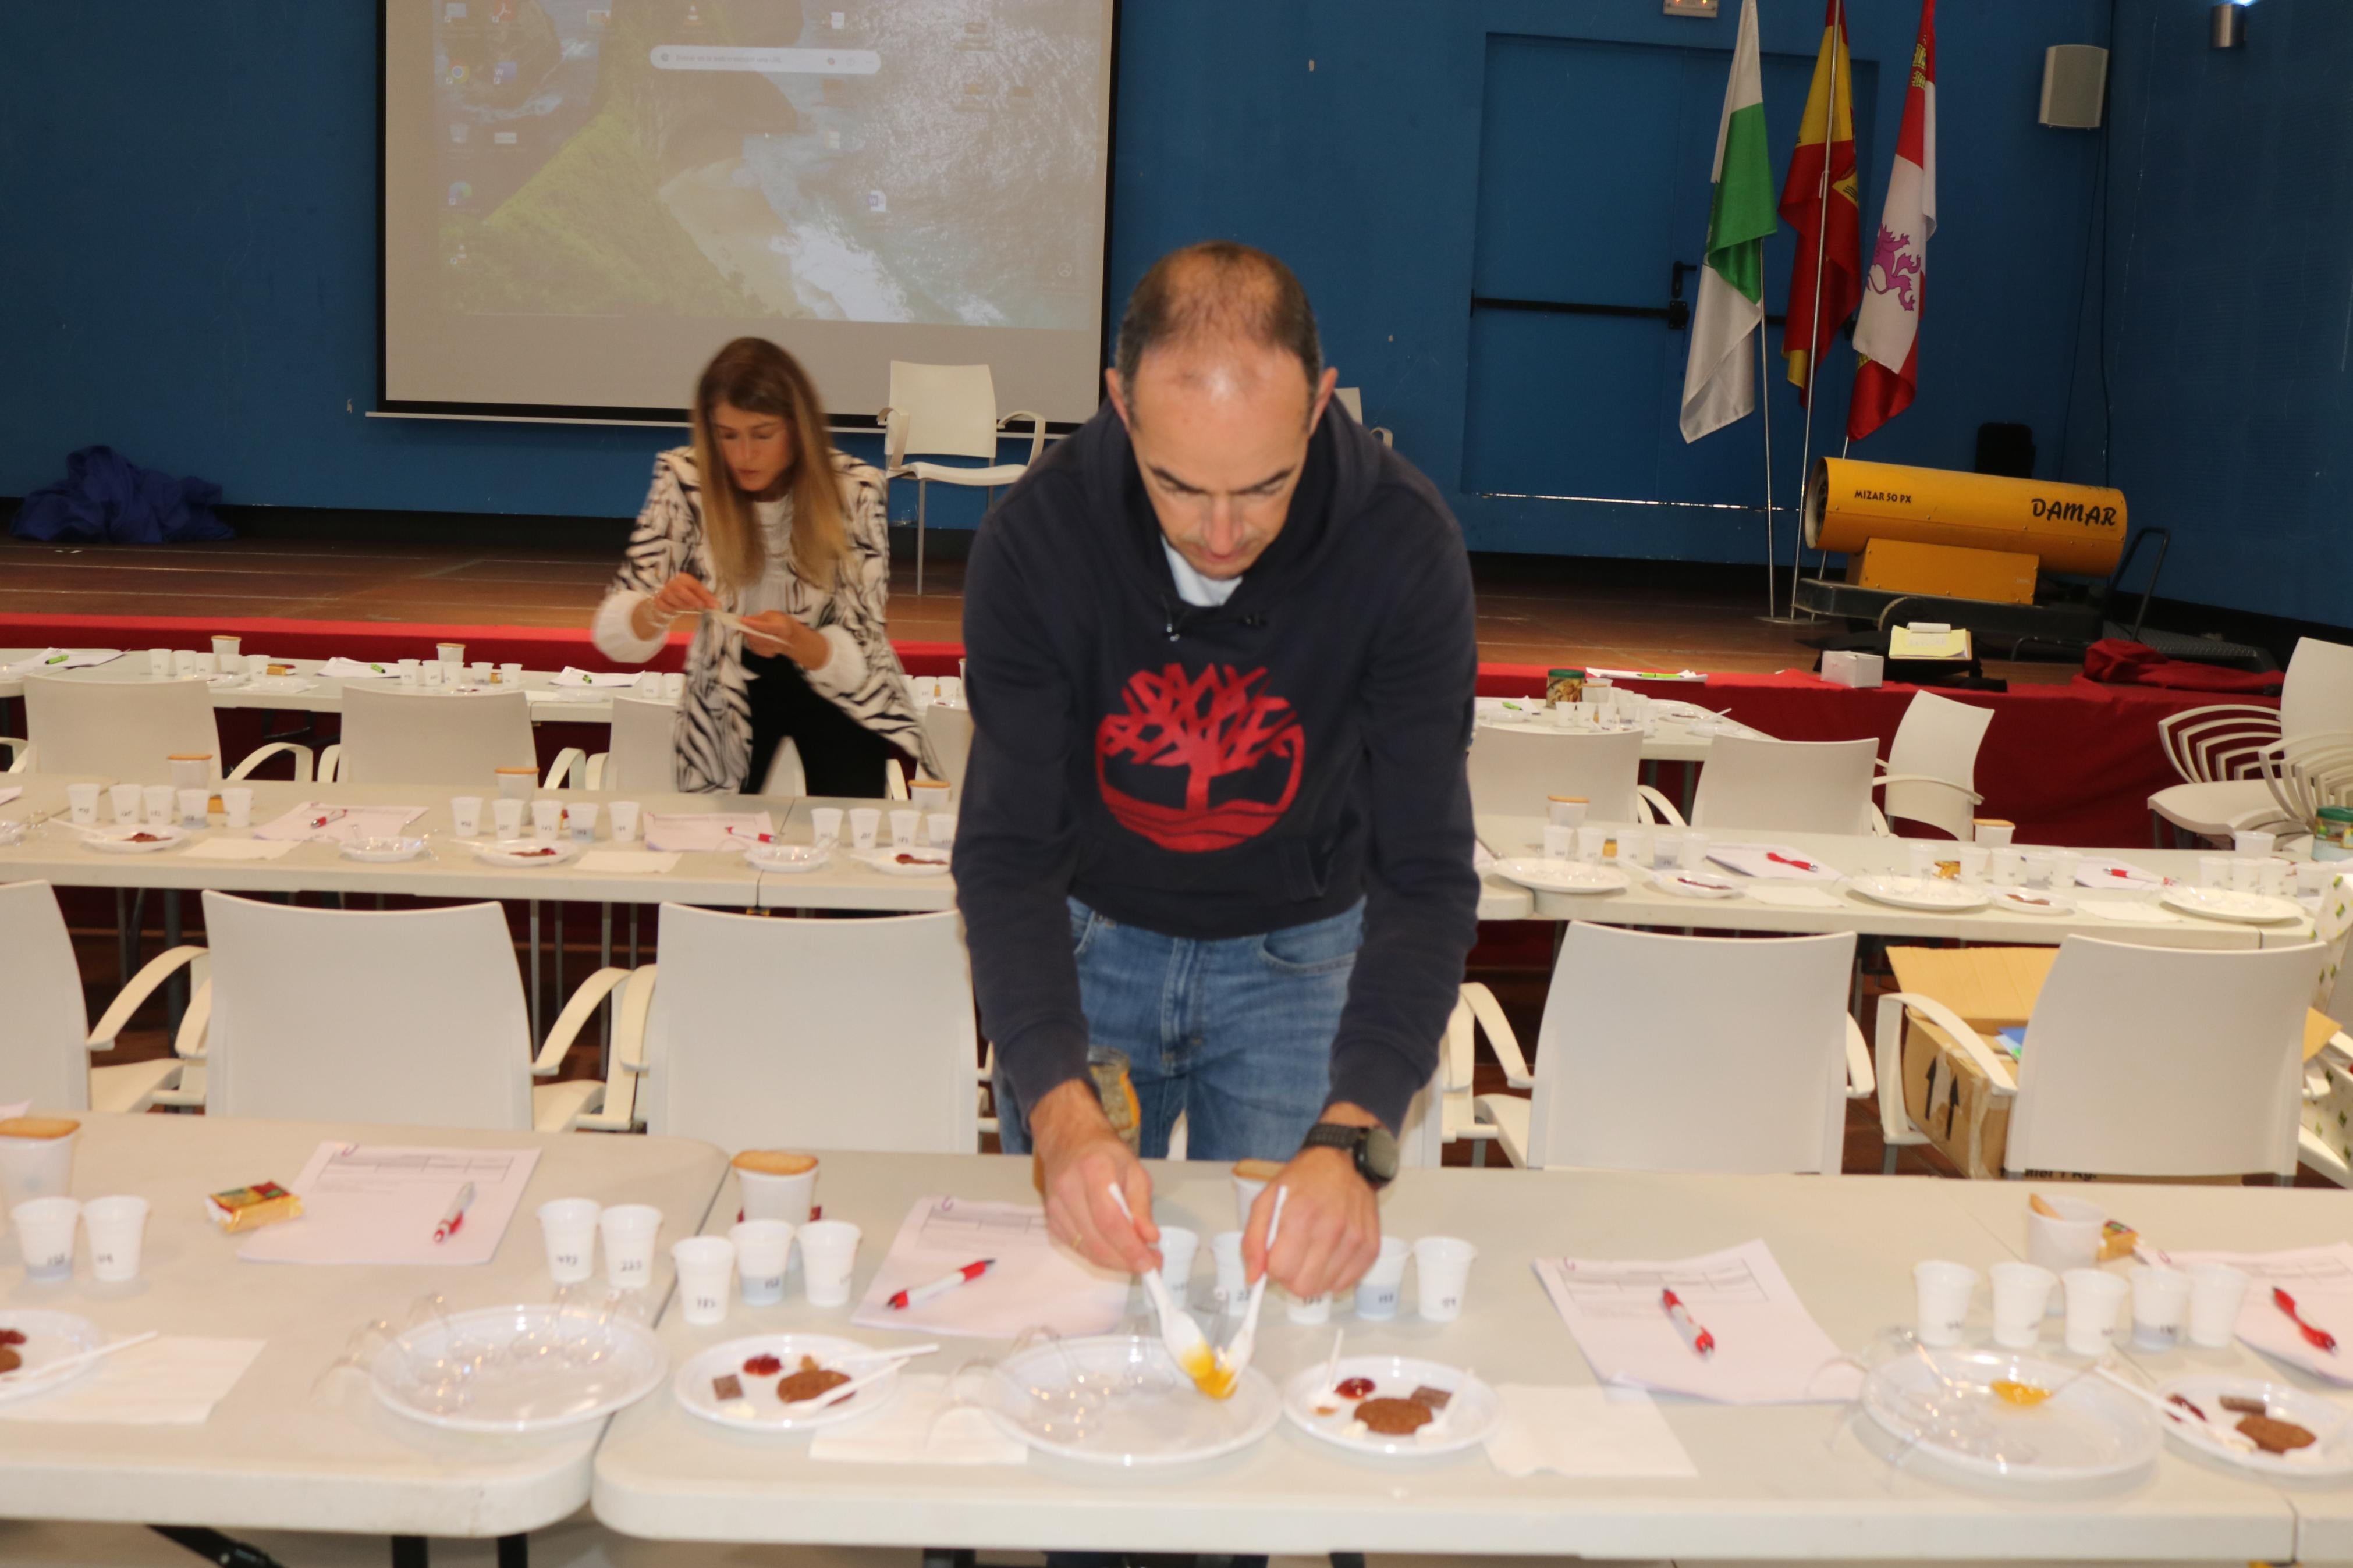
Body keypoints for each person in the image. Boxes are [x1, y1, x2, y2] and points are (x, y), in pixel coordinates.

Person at [956, 243, 1479, 1302]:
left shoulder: (1400, 543)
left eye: (1266, 485)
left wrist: (1357, 1131)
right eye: (1178, 487)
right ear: (1118, 404)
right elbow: (1007, 856)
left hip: (1300, 959)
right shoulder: (1036, 539)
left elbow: (1424, 871)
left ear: (1320, 402)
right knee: (1079, 1305)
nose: (1222, 533)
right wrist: (1058, 1110)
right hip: (1088, 944)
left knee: (1288, 1306)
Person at [592, 336, 932, 796]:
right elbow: (614, 631)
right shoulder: (685, 477)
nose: (742, 455)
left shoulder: (855, 490)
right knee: (717, 848)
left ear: (798, 429)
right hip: (727, 689)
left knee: (848, 844)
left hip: (838, 687)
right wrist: (656, 608)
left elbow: (862, 652)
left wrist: (799, 640)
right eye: (726, 435)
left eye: (762, 434)